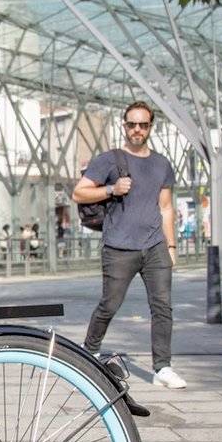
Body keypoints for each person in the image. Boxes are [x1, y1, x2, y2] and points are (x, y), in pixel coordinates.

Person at [72, 101, 185, 389]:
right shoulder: (109, 159)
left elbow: (166, 208)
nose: (137, 129)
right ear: (124, 125)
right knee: (110, 304)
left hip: (155, 245)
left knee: (163, 307)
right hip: (119, 247)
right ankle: (90, 350)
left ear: (150, 127)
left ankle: (163, 368)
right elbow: (79, 193)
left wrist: (171, 247)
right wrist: (111, 188)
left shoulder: (161, 164)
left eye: (143, 125)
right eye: (132, 124)